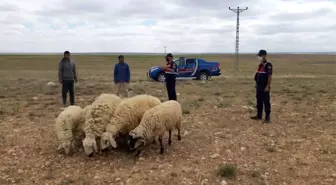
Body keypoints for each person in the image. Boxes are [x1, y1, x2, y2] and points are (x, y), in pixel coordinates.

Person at [251, 49, 273, 123]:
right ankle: (259, 115)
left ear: (264, 55)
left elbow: (269, 77)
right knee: (259, 101)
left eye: (260, 56)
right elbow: (258, 76)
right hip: (259, 86)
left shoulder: (268, 65)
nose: (259, 57)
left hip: (264, 87)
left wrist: (267, 86)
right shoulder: (260, 65)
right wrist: (256, 84)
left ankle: (267, 117)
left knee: (266, 101)